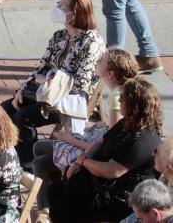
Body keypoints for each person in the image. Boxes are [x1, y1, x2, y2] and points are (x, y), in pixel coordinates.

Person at [31, 48, 139, 222]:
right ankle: (48, 203)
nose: (97, 62)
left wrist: (71, 139)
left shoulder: (117, 98)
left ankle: (45, 210)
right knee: (40, 156)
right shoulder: (120, 91)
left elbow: (107, 145)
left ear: (109, 73)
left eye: (101, 61)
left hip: (96, 157)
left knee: (39, 155)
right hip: (95, 148)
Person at [2, 0, 106, 163]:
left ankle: (28, 164)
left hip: (69, 100)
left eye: (62, 6)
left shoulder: (92, 42)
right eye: (58, 4)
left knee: (23, 116)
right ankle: (12, 158)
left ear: (76, 12)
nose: (57, 8)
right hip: (46, 93)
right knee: (5, 109)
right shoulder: (59, 36)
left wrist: (48, 80)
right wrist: (21, 89)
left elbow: (81, 84)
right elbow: (40, 68)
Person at [48, 77, 163, 222]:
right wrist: (77, 164)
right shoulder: (126, 122)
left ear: (134, 104)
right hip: (102, 182)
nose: (119, 101)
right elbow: (100, 142)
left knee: (64, 209)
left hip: (122, 197)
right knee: (56, 190)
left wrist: (83, 161)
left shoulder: (143, 139)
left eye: (122, 98)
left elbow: (112, 171)